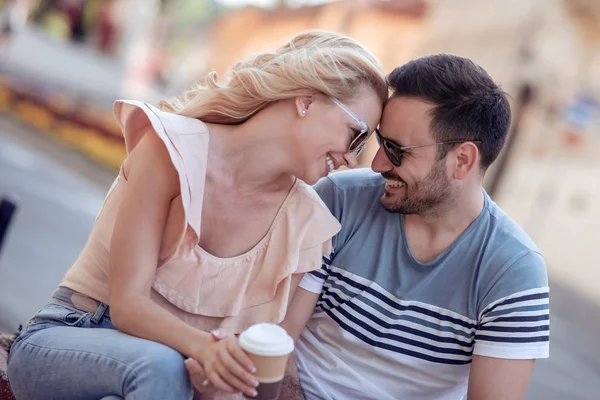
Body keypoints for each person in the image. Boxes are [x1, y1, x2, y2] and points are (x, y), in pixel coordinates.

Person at [6, 30, 387, 400]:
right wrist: (205, 350)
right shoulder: (173, 149)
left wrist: (218, 376)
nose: (353, 159)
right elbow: (127, 304)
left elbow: (259, 367)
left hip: (177, 381)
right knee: (162, 367)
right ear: (307, 100)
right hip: (75, 336)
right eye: (357, 136)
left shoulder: (308, 226)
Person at [284, 54, 550, 399]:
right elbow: (275, 338)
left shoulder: (514, 271)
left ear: (462, 160)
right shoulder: (339, 201)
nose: (378, 164)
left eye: (397, 150)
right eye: (381, 143)